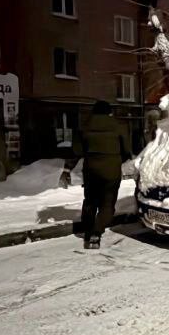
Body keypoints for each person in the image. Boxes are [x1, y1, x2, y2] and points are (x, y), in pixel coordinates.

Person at [61, 101, 130, 249]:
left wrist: (67, 169)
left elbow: (76, 151)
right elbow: (127, 151)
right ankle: (96, 233)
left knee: (90, 201)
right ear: (109, 112)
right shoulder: (119, 126)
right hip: (111, 170)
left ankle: (88, 231)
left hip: (91, 169)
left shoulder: (84, 126)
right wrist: (116, 159)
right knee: (107, 203)